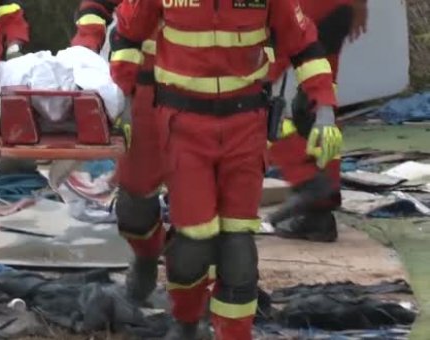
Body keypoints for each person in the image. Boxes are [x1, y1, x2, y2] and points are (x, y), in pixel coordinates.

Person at [110, 0, 341, 338]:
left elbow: (304, 45)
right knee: (193, 243)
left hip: (246, 125)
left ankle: (234, 334)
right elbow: (127, 38)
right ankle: (187, 323)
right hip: (183, 126)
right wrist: (123, 103)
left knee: (238, 248)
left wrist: (325, 111)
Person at [71, 0, 172, 306]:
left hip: (215, 99)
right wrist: (84, 52)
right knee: (133, 206)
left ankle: (198, 306)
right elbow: (95, 8)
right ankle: (145, 262)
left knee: (200, 210)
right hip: (143, 93)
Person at [268, 0, 369, 242]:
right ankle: (319, 213)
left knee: (244, 101)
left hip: (294, 10)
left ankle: (308, 180)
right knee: (318, 104)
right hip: (337, 9)